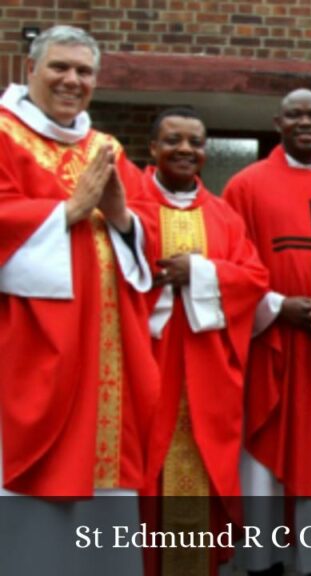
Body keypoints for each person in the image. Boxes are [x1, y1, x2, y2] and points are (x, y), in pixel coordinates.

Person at [0, 24, 160, 575]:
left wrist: (119, 217)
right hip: (29, 354)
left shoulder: (107, 148)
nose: (72, 80)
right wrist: (66, 212)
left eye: (84, 71)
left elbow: (149, 240)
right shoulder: (2, 135)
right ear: (30, 71)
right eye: (59, 67)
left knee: (106, 496)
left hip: (107, 359)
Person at [222, 88, 311, 576]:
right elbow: (229, 263)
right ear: (277, 123)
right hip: (270, 346)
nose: (305, 122)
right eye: (294, 115)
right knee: (263, 463)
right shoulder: (245, 186)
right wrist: (277, 306)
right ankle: (263, 563)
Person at [133, 107, 269, 576]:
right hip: (147, 367)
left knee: (205, 477)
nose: (186, 150)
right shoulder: (129, 207)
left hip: (208, 374)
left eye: (196, 142)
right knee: (144, 479)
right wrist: (157, 279)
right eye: (173, 140)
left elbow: (253, 279)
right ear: (153, 148)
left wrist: (199, 271)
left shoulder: (224, 216)